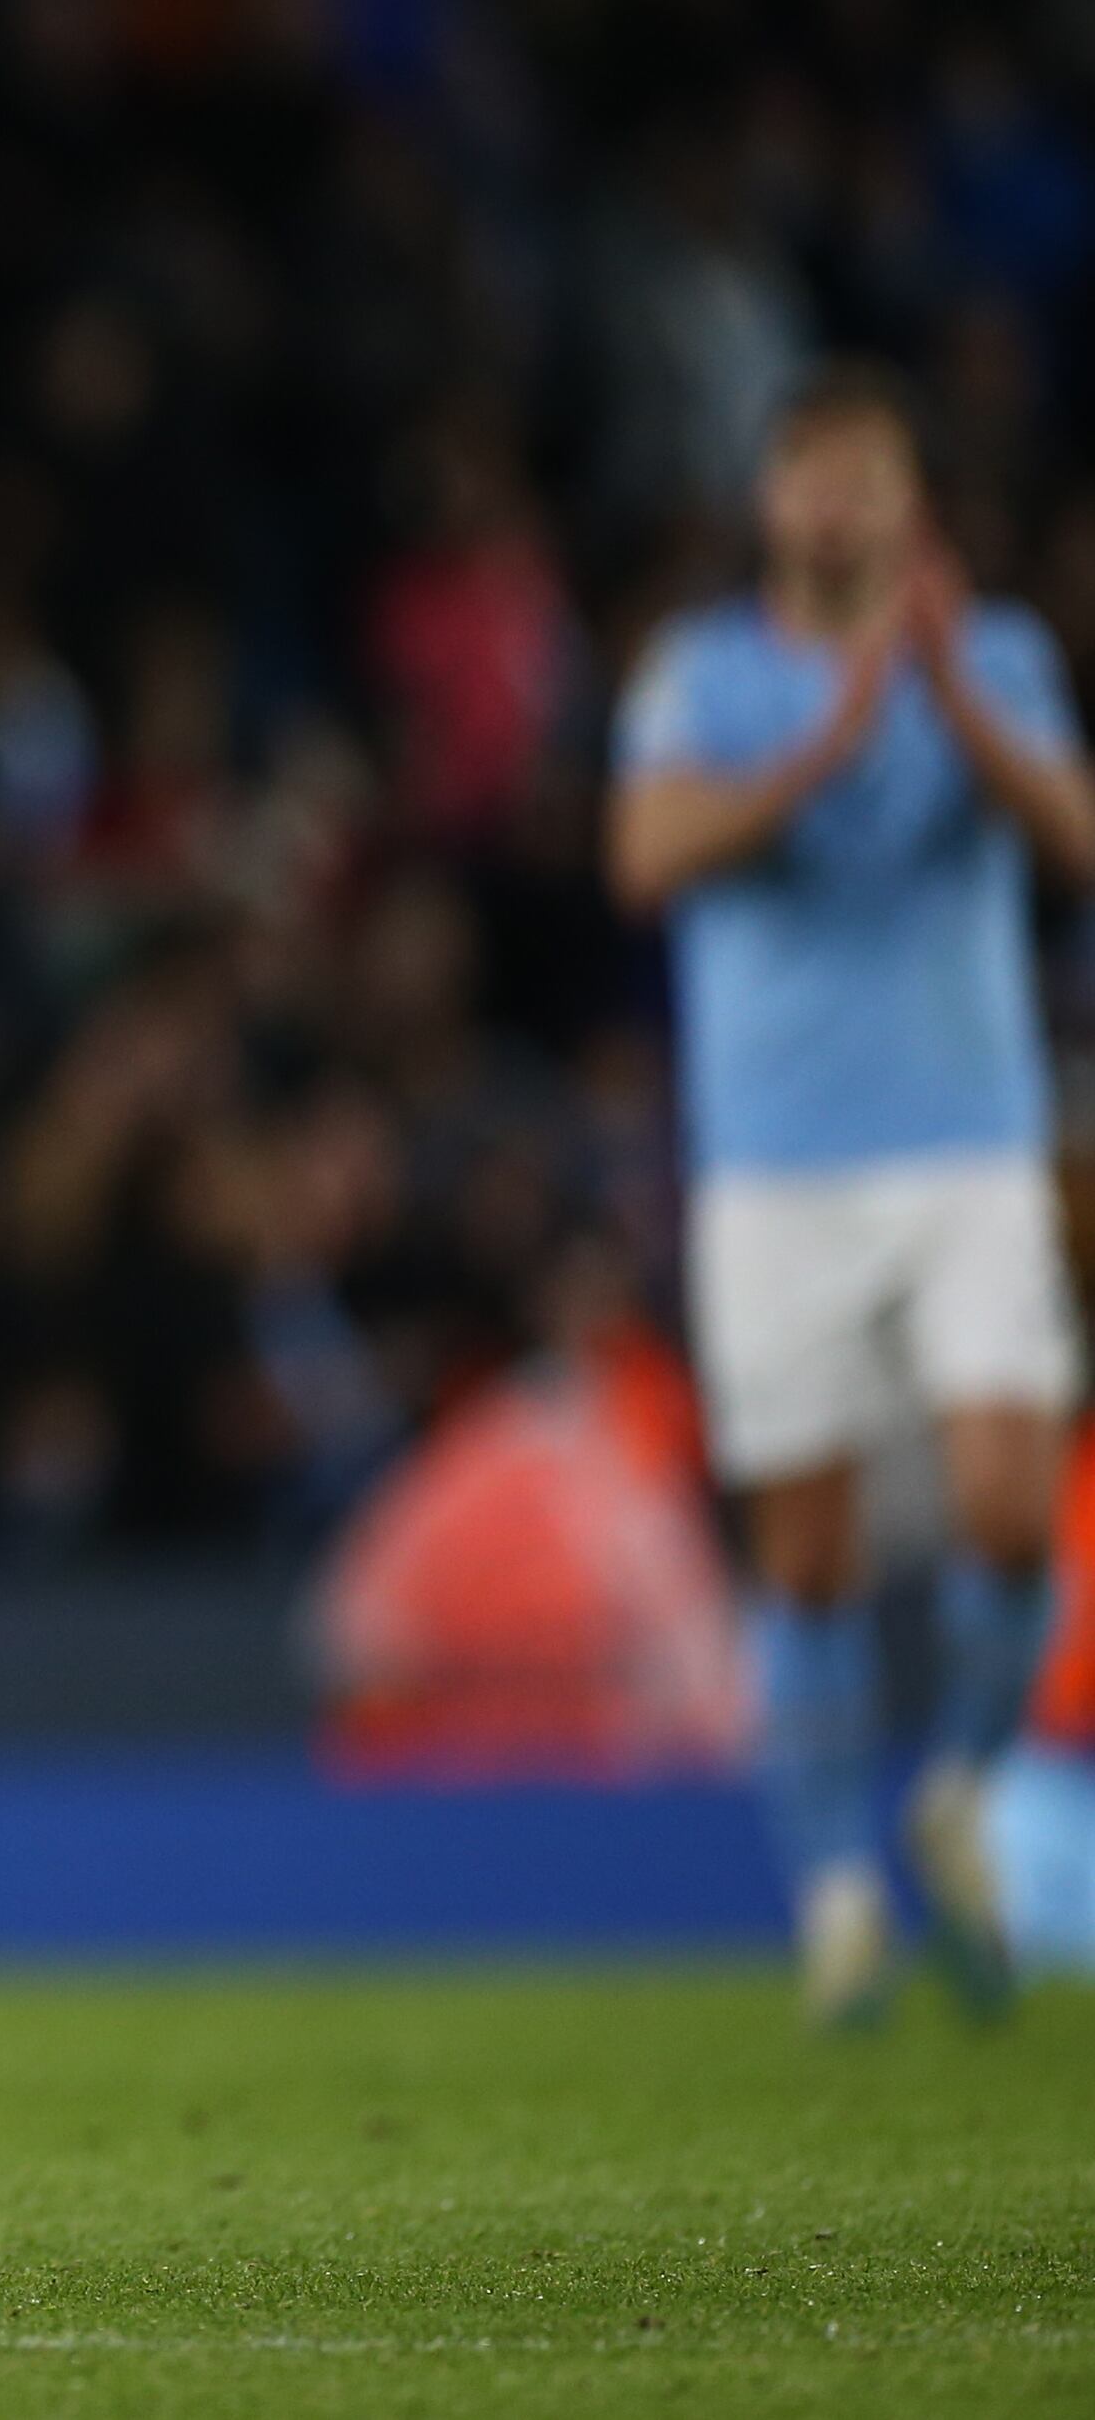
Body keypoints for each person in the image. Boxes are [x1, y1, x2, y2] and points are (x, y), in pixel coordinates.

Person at [608, 368, 1092, 2028]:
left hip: (967, 1140)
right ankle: (832, 1898)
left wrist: (947, 694)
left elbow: (1076, 839)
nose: (832, 505)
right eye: (805, 474)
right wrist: (831, 734)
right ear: (769, 502)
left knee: (1011, 1504)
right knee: (803, 1561)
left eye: (862, 478)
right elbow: (647, 859)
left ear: (910, 507)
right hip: (776, 1167)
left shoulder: (1004, 657)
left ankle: (956, 1779)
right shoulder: (706, 674)